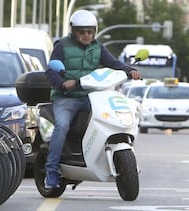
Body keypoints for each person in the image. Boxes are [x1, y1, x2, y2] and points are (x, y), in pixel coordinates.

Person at [44, 9, 141, 189]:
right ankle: (51, 170)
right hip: (67, 97)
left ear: (94, 31)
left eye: (89, 31)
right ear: (74, 31)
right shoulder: (62, 46)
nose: (86, 35)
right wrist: (62, 83)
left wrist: (129, 70)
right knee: (62, 125)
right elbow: (50, 70)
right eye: (82, 32)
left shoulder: (98, 48)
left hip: (91, 96)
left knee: (107, 118)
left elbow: (114, 64)